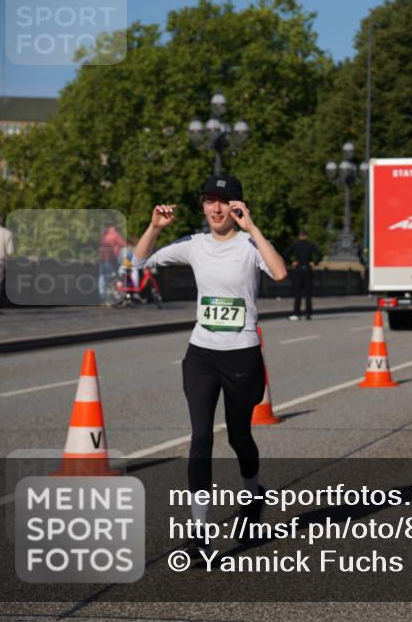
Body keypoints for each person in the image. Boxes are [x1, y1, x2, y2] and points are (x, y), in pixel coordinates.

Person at [132, 175, 287, 559]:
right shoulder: (195, 245)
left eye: (224, 202)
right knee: (201, 438)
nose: (216, 209)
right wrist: (154, 227)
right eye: (209, 201)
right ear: (203, 206)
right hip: (201, 355)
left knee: (239, 437)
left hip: (242, 355)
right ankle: (199, 536)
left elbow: (280, 273)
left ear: (238, 207)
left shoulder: (250, 245)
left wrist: (253, 229)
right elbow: (138, 262)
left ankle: (253, 494)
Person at [284, 231, 319, 321]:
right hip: (307, 269)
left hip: (298, 269)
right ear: (306, 236)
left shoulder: (296, 245)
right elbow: (320, 254)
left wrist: (291, 262)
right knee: (308, 293)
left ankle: (297, 314)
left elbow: (285, 253)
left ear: (299, 236)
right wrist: (314, 262)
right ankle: (308, 314)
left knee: (298, 293)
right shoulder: (310, 245)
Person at [99, 220, 127, 302]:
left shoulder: (104, 235)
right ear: (113, 226)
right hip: (110, 259)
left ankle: (103, 297)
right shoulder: (115, 234)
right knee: (112, 278)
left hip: (102, 259)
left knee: (102, 278)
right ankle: (111, 298)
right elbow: (124, 244)